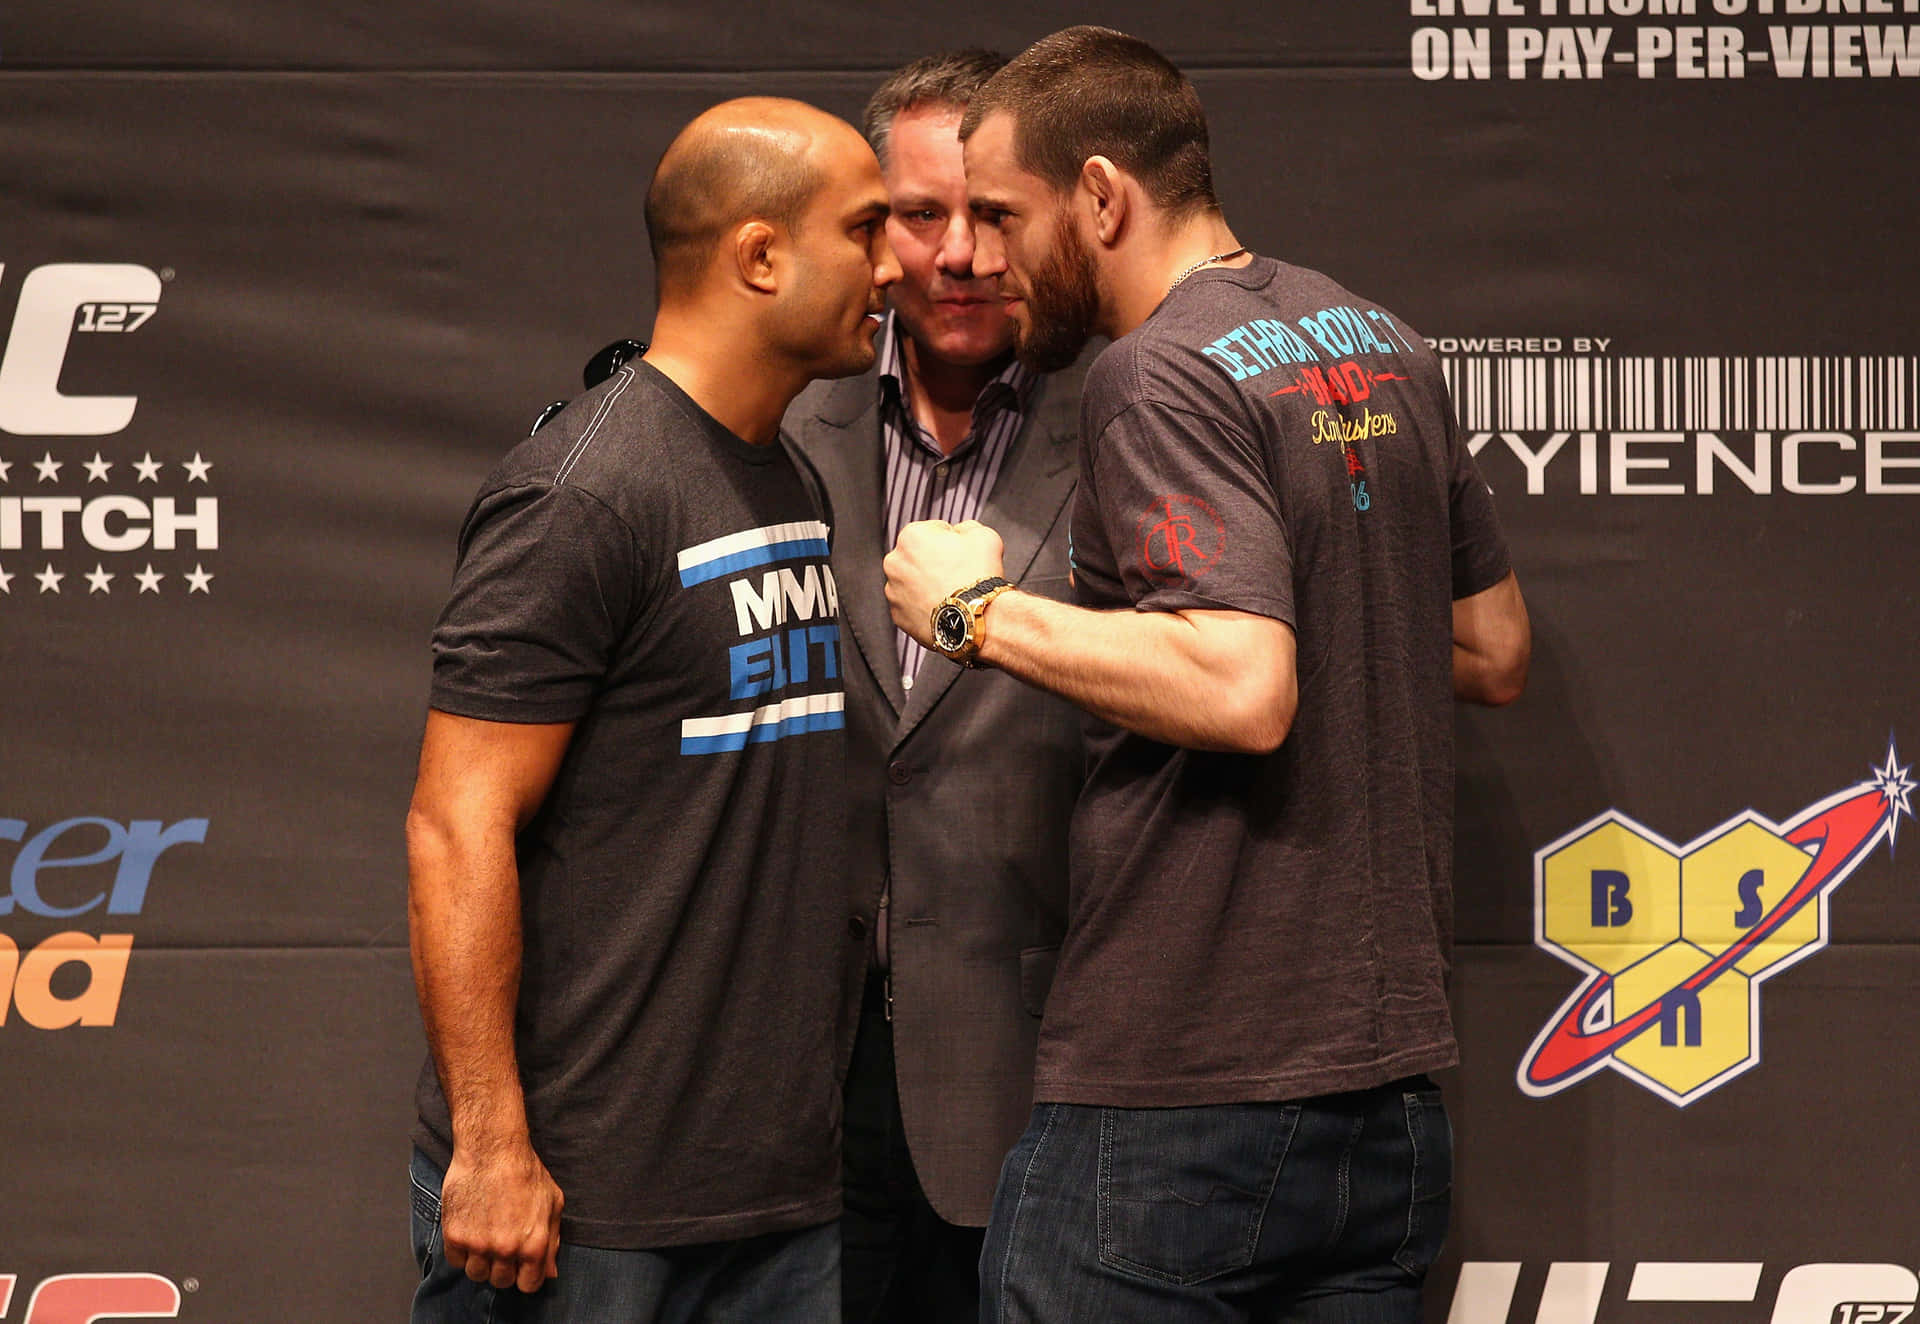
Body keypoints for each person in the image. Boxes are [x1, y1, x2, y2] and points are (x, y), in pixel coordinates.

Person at [881, 27, 1531, 1323]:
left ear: (1105, 195)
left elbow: (1242, 688)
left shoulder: (1157, 370)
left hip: (1183, 1099)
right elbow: (1491, 646)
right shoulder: (1373, 338)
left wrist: (975, 615)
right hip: (1381, 1108)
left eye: (1009, 213)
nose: (988, 257)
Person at [404, 96, 900, 1323]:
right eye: (870, 228)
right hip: (586, 1202)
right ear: (761, 255)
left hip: (774, 1193)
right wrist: (491, 1145)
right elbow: (456, 825)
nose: (899, 266)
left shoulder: (784, 471)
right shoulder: (584, 496)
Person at [784, 51, 1085, 1324]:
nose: (959, 252)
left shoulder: (1137, 420)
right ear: (875, 231)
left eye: (993, 215)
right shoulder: (783, 428)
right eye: (921, 214)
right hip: (800, 1073)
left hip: (1041, 1060)